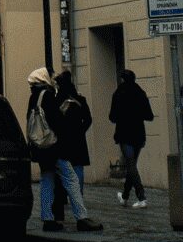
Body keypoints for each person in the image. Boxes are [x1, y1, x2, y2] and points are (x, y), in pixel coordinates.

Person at [27, 67, 101, 233]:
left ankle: (47, 218)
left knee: (47, 181)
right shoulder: (47, 96)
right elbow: (56, 121)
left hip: (41, 149)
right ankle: (81, 218)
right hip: (54, 148)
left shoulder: (34, 97)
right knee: (72, 180)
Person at [51, 70, 92, 223]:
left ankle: (61, 207)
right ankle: (78, 201)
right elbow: (88, 119)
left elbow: (54, 121)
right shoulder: (80, 99)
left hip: (62, 142)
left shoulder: (56, 100)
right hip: (78, 142)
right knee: (78, 171)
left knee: (62, 174)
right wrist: (80, 131)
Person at [111, 69, 154, 208]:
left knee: (130, 165)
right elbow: (149, 115)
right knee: (132, 165)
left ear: (122, 79)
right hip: (139, 135)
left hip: (125, 134)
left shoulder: (118, 93)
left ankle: (142, 197)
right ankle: (124, 196)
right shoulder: (140, 93)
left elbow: (112, 117)